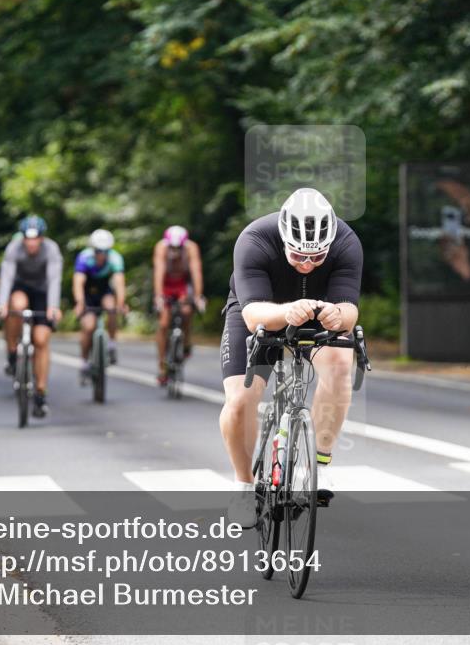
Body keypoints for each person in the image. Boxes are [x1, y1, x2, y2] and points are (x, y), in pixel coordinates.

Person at [218, 188, 363, 527]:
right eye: (298, 257)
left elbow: (349, 309)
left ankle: (319, 466)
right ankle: (242, 485)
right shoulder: (255, 238)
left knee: (341, 363)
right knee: (240, 401)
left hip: (317, 310)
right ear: (283, 238)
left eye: (317, 257)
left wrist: (338, 316)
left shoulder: (346, 241)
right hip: (259, 308)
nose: (307, 265)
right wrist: (286, 312)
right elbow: (253, 315)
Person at [0, 216, 62, 418]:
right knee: (17, 306)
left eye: (36, 238)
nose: (31, 243)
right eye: (27, 238)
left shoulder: (51, 250)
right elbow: (6, 277)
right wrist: (1, 304)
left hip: (42, 291)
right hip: (20, 288)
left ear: (42, 238)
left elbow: (54, 279)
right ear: (23, 238)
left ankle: (40, 392)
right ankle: (13, 350)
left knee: (41, 339)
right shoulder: (14, 249)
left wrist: (53, 307)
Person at [152, 225, 205, 385]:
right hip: (166, 284)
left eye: (178, 248)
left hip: (182, 285)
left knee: (187, 311)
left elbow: (196, 272)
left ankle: (186, 342)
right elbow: (159, 271)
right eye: (172, 248)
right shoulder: (161, 247)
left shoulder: (191, 248)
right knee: (163, 323)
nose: (174, 252)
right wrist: (159, 297)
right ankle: (162, 366)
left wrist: (197, 296)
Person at [73, 229, 127, 380]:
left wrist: (121, 302)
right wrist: (79, 302)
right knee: (88, 326)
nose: (102, 255)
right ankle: (84, 360)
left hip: (104, 291)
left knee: (111, 308)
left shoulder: (115, 258)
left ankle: (111, 344)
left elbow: (119, 282)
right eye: (98, 251)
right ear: (93, 249)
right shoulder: (84, 257)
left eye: (105, 251)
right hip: (87, 294)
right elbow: (78, 282)